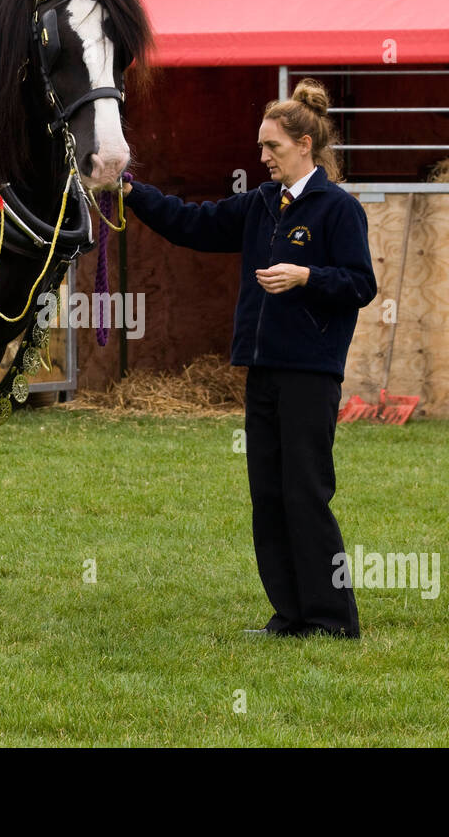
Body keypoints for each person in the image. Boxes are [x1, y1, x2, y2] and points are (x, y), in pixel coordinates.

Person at [125, 79, 377, 638]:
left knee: (306, 493)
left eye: (273, 147)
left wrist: (306, 275)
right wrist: (128, 190)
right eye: (262, 147)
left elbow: (362, 284)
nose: (262, 157)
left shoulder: (339, 209)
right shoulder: (262, 204)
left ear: (305, 144)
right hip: (261, 370)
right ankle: (289, 614)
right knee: (267, 494)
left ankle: (333, 619)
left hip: (311, 373)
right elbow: (192, 223)